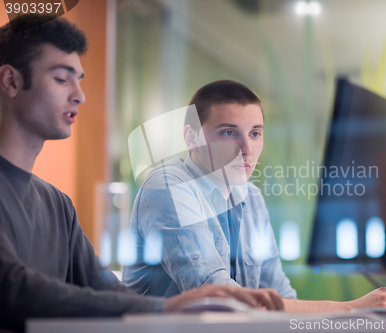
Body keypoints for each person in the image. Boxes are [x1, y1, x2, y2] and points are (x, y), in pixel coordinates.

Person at [0, 15, 283, 333]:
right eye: (62, 79)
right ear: (10, 81)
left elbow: (107, 291)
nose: (79, 95)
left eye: (79, 80)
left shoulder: (57, 205)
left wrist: (165, 310)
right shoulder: (169, 185)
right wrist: (167, 308)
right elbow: (11, 288)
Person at [122, 80, 386, 312]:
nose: (247, 149)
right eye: (229, 132)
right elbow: (216, 298)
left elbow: (279, 295)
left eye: (255, 133)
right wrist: (350, 308)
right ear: (192, 137)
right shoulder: (168, 185)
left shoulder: (250, 197)